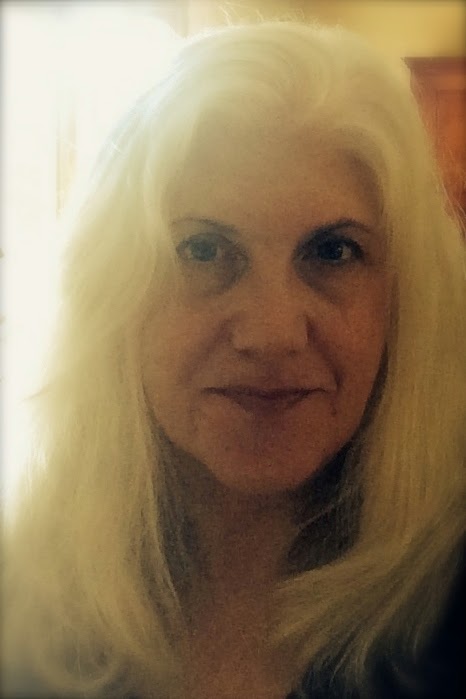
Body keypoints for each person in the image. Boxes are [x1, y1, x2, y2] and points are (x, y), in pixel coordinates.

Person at [2, 19, 465, 699]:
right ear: (115, 292)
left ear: (405, 301)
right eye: (203, 250)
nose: (272, 334)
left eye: (332, 252)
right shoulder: (24, 589)